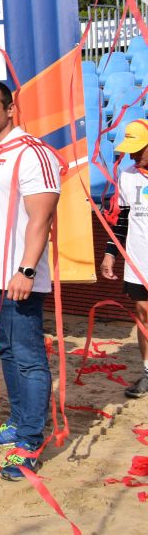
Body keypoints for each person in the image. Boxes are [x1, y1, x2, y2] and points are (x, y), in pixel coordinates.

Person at [0, 81, 61, 480]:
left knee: (29, 359)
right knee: (6, 352)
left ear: (9, 109)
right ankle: (19, 424)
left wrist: (26, 269)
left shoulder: (32, 152)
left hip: (17, 278)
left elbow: (42, 217)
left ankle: (31, 442)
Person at [105, 120, 148, 399]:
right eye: (130, 149)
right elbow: (121, 220)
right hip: (139, 260)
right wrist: (110, 253)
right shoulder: (128, 176)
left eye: (139, 149)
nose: (133, 155)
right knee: (143, 315)